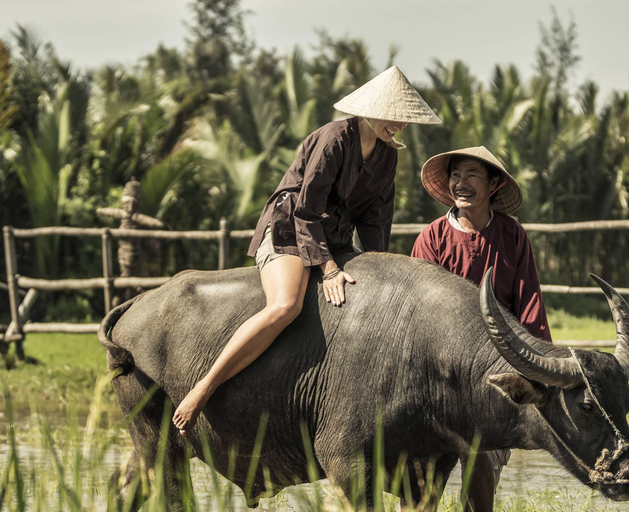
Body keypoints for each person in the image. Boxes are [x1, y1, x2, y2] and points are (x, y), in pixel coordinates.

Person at [172, 66, 441, 436]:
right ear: (370, 109)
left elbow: (376, 220)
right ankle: (204, 387)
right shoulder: (333, 139)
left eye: (406, 120)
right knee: (286, 306)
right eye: (394, 117)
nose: (400, 126)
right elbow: (306, 211)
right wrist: (328, 268)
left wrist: (383, 267)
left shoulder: (388, 156)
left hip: (336, 237)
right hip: (290, 231)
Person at [411, 146, 551, 512]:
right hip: (438, 375)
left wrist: (541, 369)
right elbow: (417, 315)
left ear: (493, 184)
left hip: (494, 373)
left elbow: (529, 304)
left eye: (472, 174)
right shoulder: (433, 237)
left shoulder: (512, 236)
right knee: (422, 479)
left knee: (483, 462)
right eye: (455, 175)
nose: (461, 183)